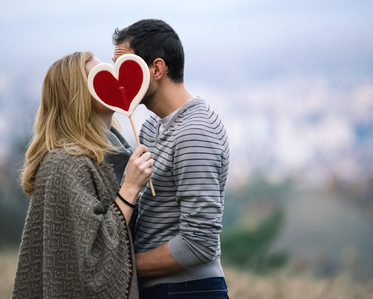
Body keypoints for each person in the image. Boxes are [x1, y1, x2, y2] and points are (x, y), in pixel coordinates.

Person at [12, 51, 154, 299]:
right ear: (78, 94)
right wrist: (130, 189)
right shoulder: (65, 164)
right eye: (98, 76)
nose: (111, 79)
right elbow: (88, 265)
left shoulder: (110, 157)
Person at [113, 19, 230, 298]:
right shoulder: (152, 127)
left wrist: (122, 265)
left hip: (188, 290)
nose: (118, 81)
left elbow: (199, 243)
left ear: (156, 68)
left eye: (125, 68)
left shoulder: (196, 131)